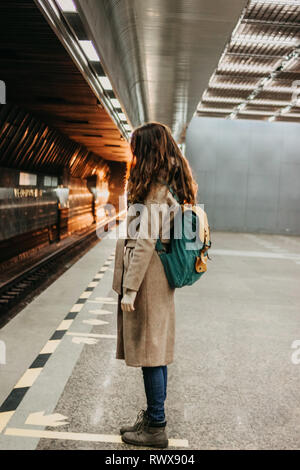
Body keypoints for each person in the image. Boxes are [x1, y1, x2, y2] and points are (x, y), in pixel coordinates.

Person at [112, 121, 197, 448]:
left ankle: (156, 425)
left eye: (136, 149)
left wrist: (130, 287)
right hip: (154, 273)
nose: (133, 156)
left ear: (147, 150)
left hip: (149, 276)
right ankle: (152, 416)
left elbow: (147, 237)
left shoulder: (159, 186)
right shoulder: (167, 179)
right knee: (154, 349)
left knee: (150, 351)